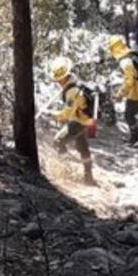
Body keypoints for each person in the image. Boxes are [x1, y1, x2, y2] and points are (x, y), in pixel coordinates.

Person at [49, 57, 95, 185]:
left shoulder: (72, 91)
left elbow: (68, 112)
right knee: (83, 148)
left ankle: (66, 169)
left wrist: (55, 116)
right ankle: (88, 177)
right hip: (85, 120)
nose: (57, 81)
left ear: (64, 76)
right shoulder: (74, 83)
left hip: (78, 121)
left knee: (58, 141)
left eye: (58, 79)